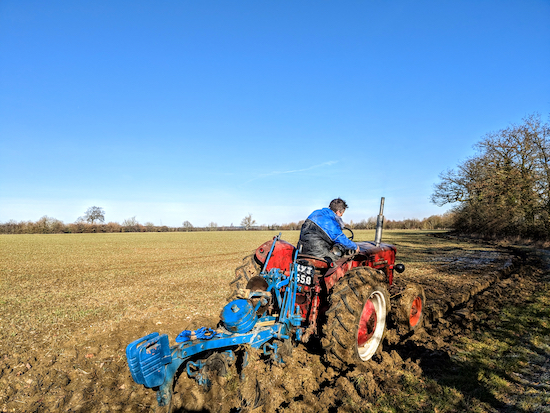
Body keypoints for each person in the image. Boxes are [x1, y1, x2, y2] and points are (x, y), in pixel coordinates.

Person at [297, 198, 359, 262]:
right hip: (318, 253)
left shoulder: (316, 213)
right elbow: (339, 238)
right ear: (338, 212)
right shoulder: (331, 221)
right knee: (341, 261)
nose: (341, 216)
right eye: (342, 214)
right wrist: (355, 247)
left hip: (301, 249)